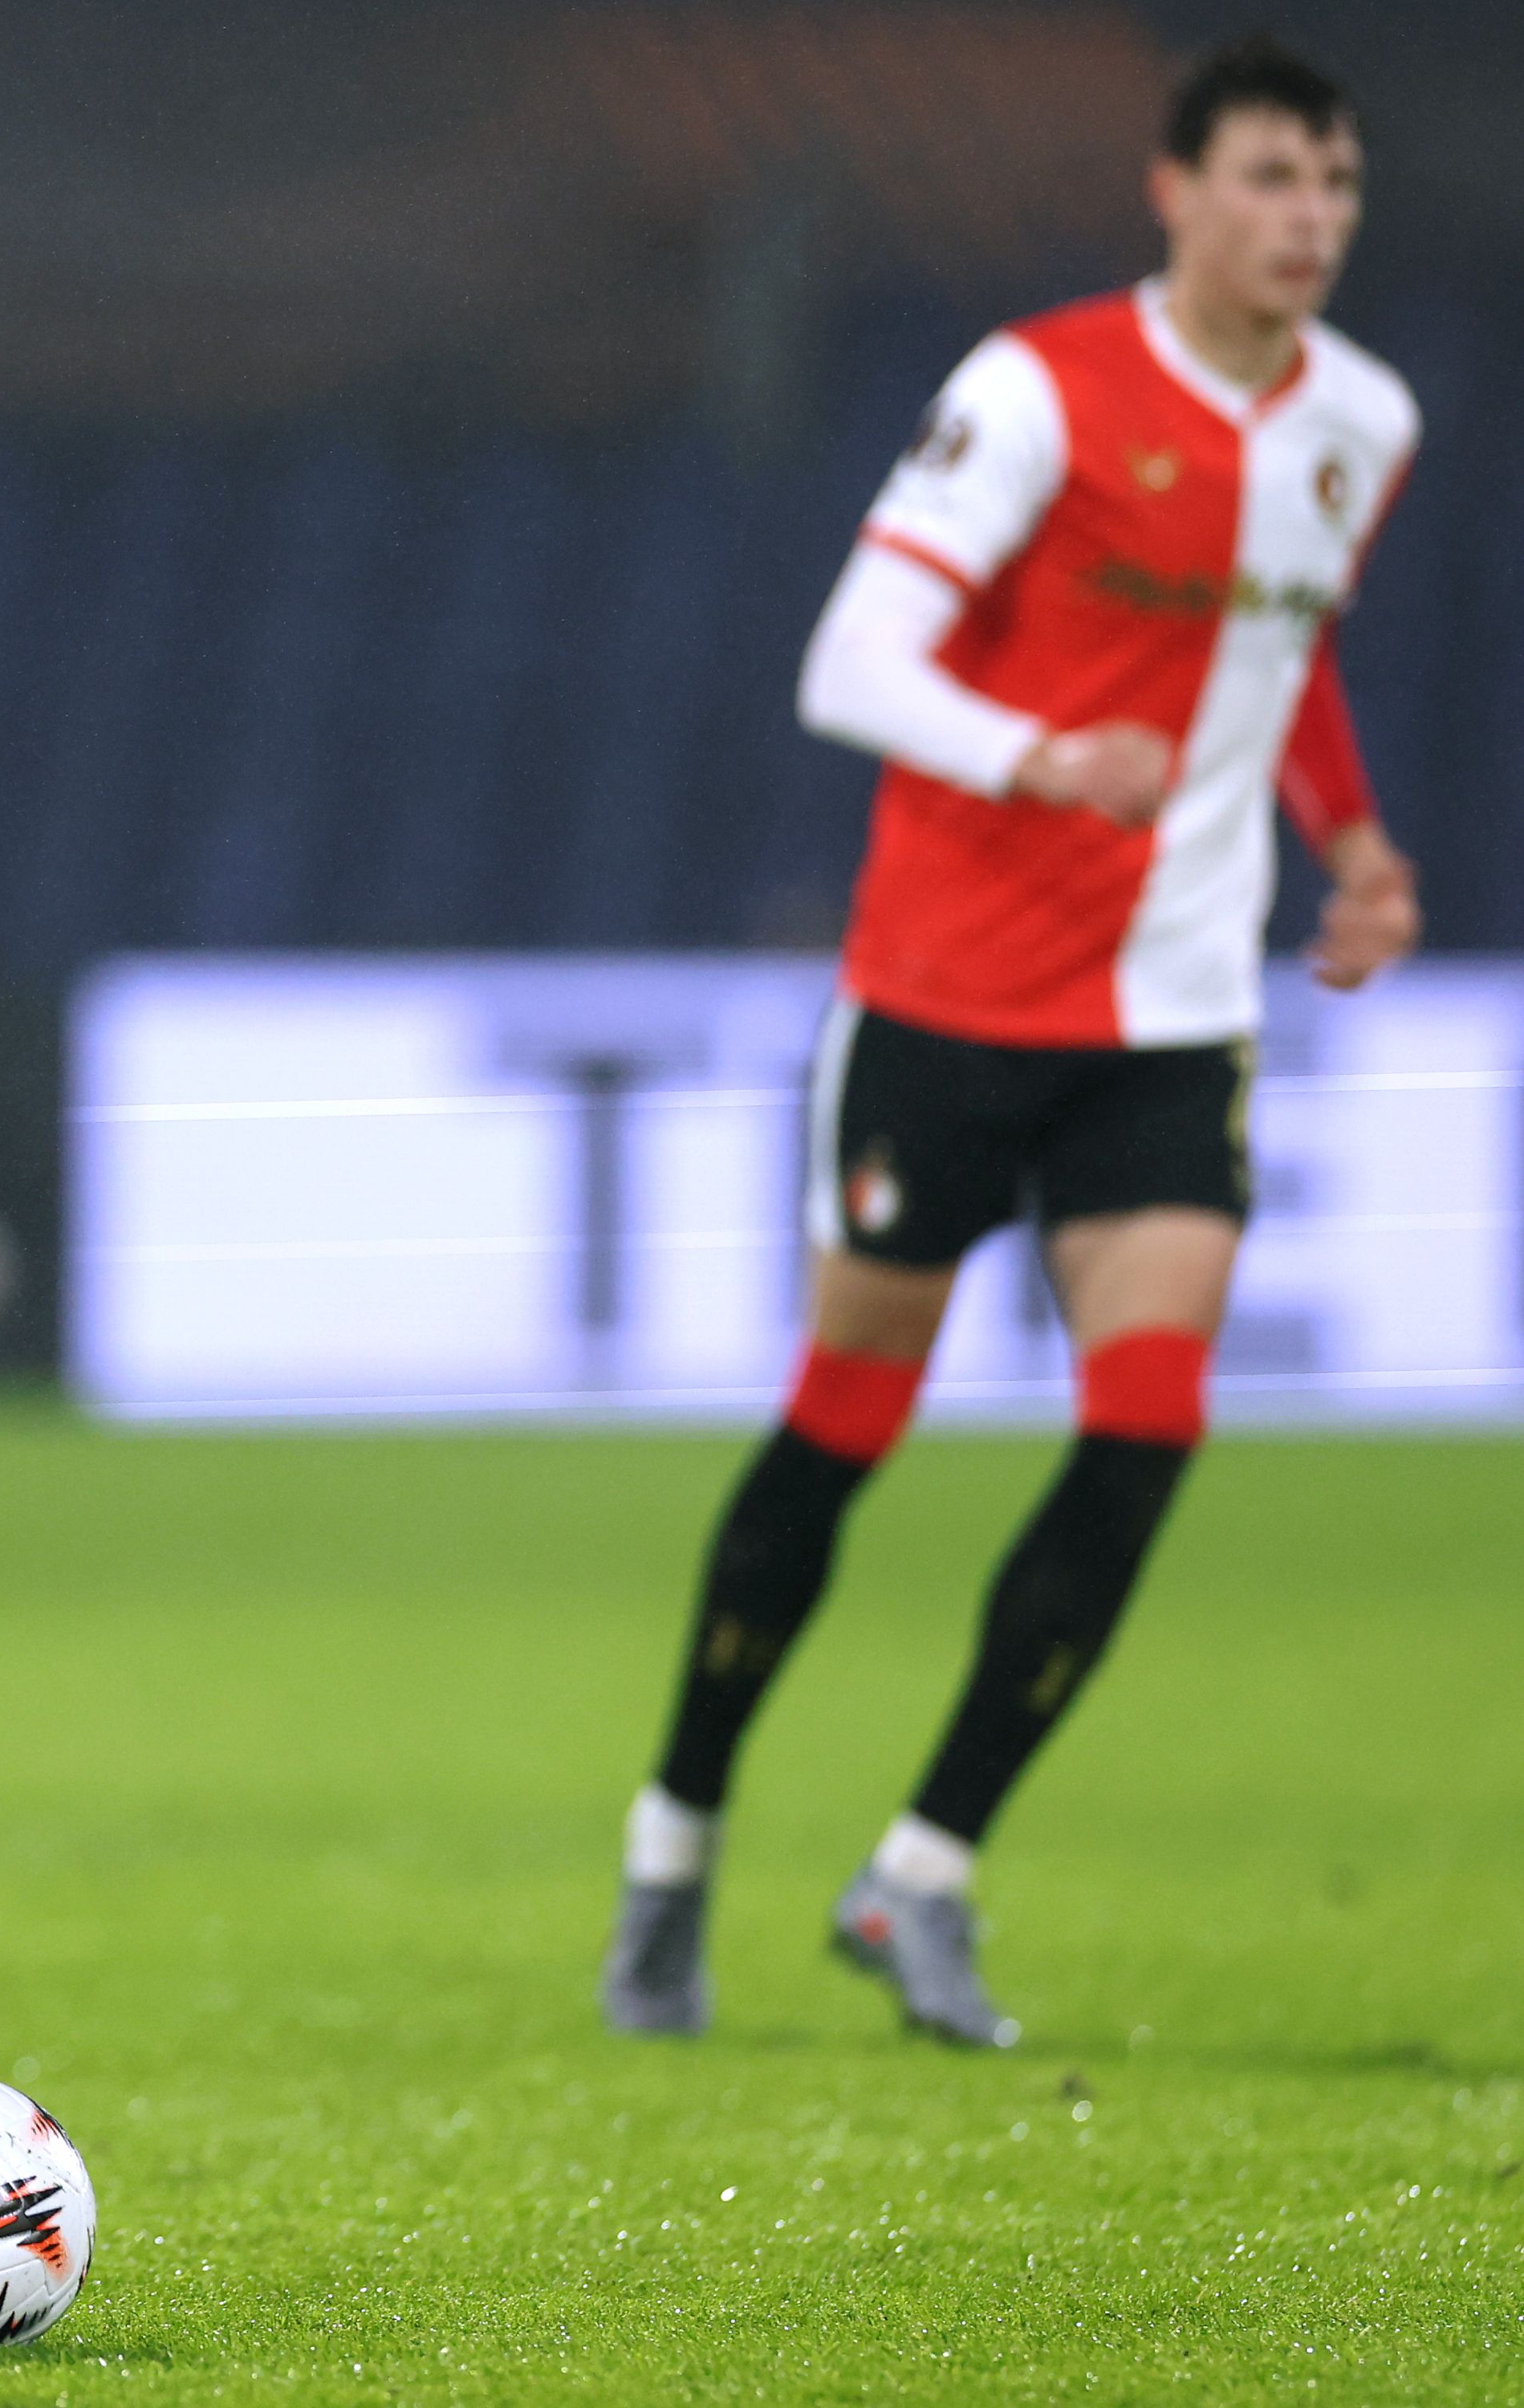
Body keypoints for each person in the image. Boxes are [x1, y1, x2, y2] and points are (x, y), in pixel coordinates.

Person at [598, 39, 1420, 2047]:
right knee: (841, 1428)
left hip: (1171, 1011)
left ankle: (921, 1871)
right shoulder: (1033, 387)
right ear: (1170, 192)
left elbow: (1270, 648)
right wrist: (1039, 750)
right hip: (946, 1000)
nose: (1304, 216)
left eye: (1331, 182)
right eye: (1264, 178)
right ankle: (670, 1839)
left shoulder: (1359, 420)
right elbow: (848, 658)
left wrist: (1353, 833)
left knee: (1145, 1429)